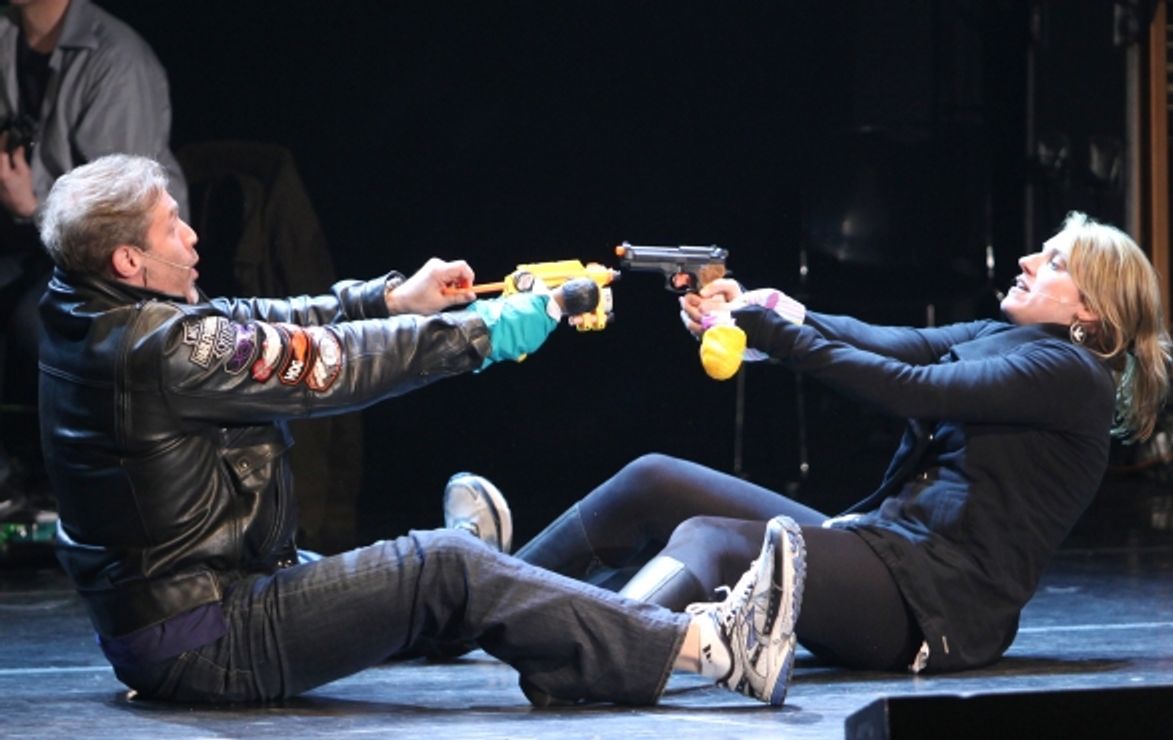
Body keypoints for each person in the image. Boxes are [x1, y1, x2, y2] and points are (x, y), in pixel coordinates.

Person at [36, 154, 805, 707]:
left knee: (444, 578)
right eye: (172, 227)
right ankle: (709, 649)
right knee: (441, 567)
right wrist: (490, 330)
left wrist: (393, 300)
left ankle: (487, 568)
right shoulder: (159, 348)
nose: (192, 237)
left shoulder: (90, 311)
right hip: (205, 637)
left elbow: (264, 321)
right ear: (129, 259)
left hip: (198, 606)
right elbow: (330, 364)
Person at [501, 211, 1173, 674]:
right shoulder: (1004, 337)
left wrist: (773, 335)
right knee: (655, 479)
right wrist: (760, 308)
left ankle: (594, 654)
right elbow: (885, 341)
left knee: (714, 540)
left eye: (1053, 261)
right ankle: (489, 595)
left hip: (931, 605)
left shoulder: (1070, 374)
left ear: (1090, 310)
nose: (1028, 259)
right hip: (884, 554)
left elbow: (911, 388)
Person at [1, 0, 187, 514]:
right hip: (26, 238)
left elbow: (122, 218)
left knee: (42, 321)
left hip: (110, 256)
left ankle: (77, 488)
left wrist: (31, 204)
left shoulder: (116, 60)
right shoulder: (7, 35)